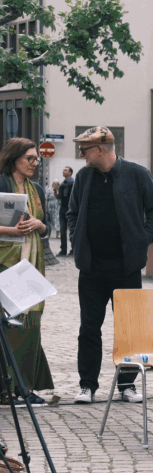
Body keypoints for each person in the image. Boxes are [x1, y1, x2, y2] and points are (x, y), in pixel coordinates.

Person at [67, 126, 153, 405]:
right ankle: (87, 385)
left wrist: (144, 238)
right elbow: (72, 213)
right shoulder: (83, 177)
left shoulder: (137, 174)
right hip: (91, 269)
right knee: (89, 329)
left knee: (129, 330)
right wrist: (76, 238)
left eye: (84, 149)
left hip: (126, 268)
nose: (81, 154)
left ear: (100, 149)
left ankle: (127, 385)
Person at [0, 139, 53, 405]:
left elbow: (46, 227)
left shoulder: (37, 189)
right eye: (29, 158)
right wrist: (12, 231)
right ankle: (5, 389)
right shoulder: (1, 184)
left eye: (36, 159)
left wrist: (40, 226)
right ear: (14, 159)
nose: (34, 163)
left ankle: (24, 387)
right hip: (4, 263)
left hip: (29, 265)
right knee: (8, 327)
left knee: (29, 326)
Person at [58, 166, 73, 256]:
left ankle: (73, 250)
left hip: (71, 210)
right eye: (63, 170)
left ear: (70, 173)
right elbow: (60, 197)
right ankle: (63, 250)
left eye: (65, 170)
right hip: (63, 209)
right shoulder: (62, 185)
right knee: (62, 231)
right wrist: (56, 193)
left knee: (72, 230)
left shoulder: (74, 184)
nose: (63, 171)